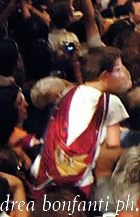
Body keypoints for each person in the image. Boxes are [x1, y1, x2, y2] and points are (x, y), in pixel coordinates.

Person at [29, 46, 130, 193]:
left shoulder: (67, 93)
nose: (122, 75)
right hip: (79, 179)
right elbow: (113, 146)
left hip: (44, 171)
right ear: (105, 75)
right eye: (118, 70)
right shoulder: (109, 102)